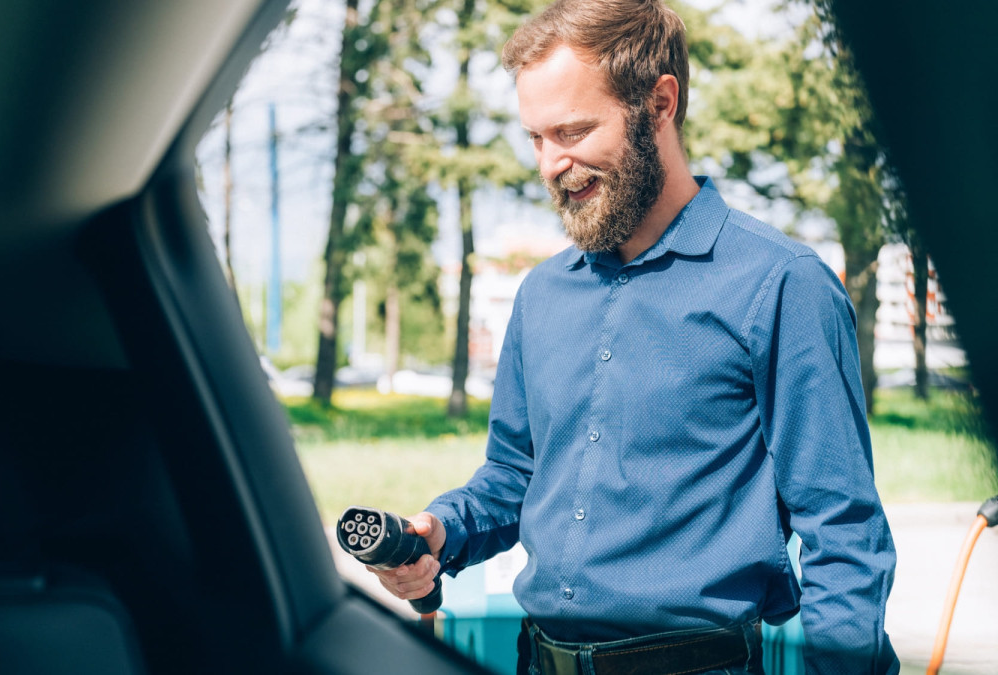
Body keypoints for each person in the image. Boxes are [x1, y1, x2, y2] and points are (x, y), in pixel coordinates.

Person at [367, 1, 900, 673]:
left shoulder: (782, 285)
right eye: (536, 138)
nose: (552, 164)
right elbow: (514, 477)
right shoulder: (541, 295)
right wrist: (442, 531)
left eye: (573, 130)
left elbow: (844, 532)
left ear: (660, 103)